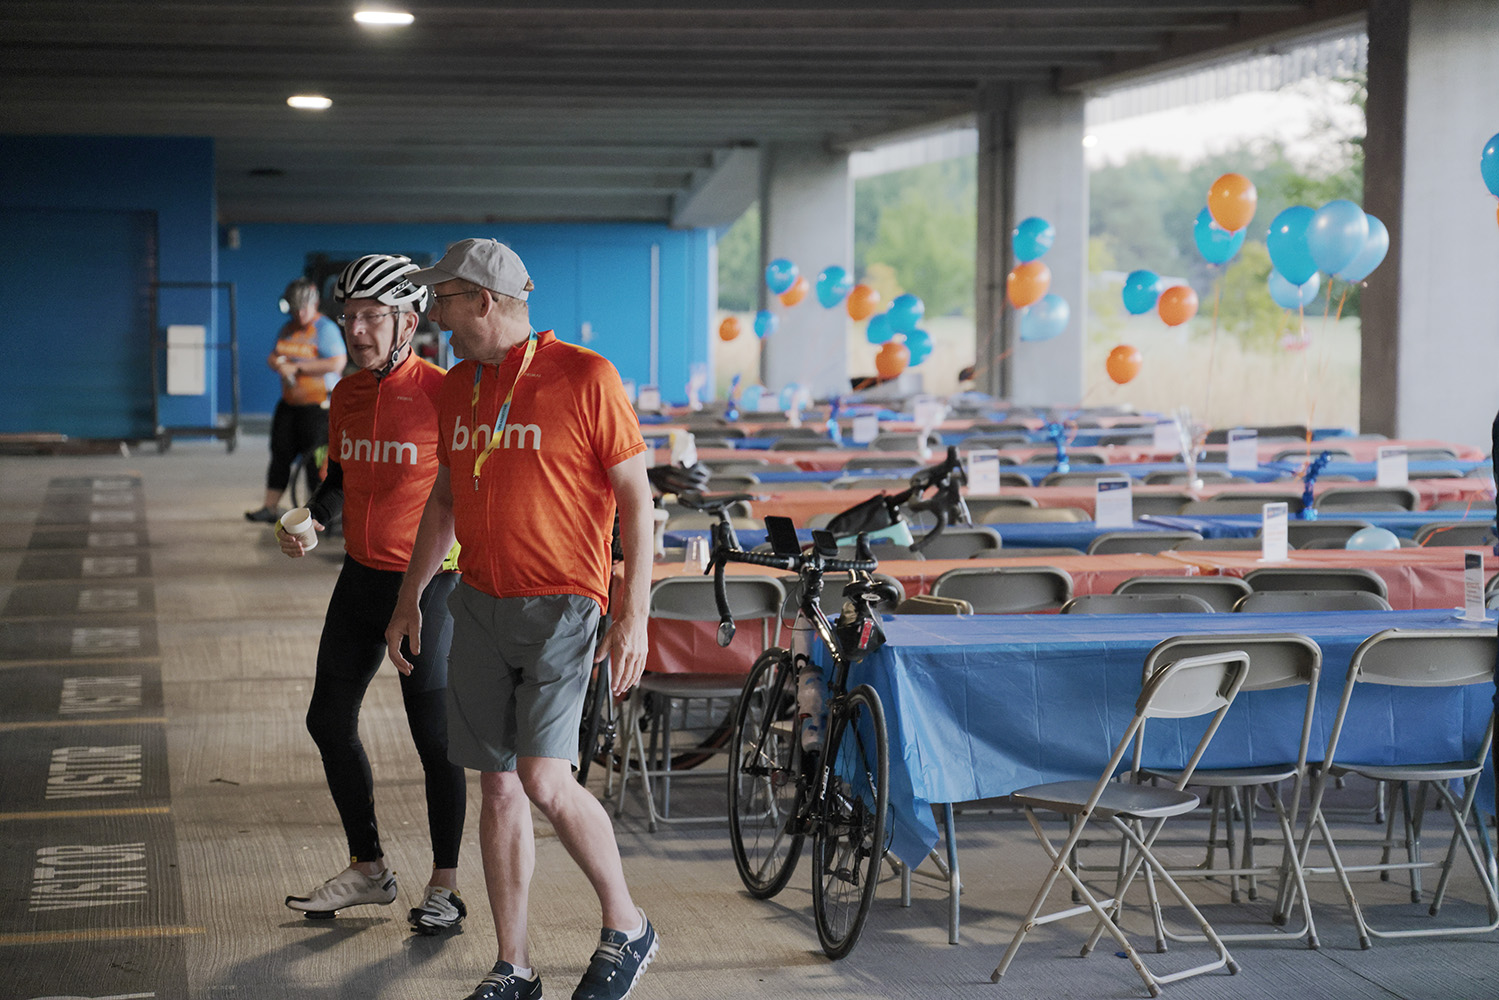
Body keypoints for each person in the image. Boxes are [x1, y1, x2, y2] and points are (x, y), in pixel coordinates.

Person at [385, 238, 657, 1000]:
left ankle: (627, 924)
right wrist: (410, 595)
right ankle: (514, 966)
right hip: (477, 601)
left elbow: (637, 501)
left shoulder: (584, 376)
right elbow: (445, 496)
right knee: (497, 787)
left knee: (542, 778)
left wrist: (632, 612)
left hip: (565, 603)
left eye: (441, 300)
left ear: (483, 300)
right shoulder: (456, 386)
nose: (432, 315)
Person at [276, 255, 468, 935]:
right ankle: (368, 867)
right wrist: (313, 519)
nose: (355, 330)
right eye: (349, 316)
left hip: (429, 584)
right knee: (328, 721)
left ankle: (445, 886)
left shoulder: (447, 393)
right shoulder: (346, 395)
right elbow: (337, 480)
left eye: (371, 317)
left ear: (407, 323)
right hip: (360, 577)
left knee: (434, 739)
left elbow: (465, 494)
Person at [246, 277, 347, 523]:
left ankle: (316, 515)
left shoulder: (325, 330)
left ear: (314, 305)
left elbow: (337, 362)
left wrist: (298, 369)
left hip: (318, 406)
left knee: (315, 462)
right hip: (290, 404)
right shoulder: (288, 329)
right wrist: (276, 363)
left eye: (304, 309)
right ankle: (270, 507)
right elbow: (275, 354)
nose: (299, 314)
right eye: (295, 310)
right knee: (280, 454)